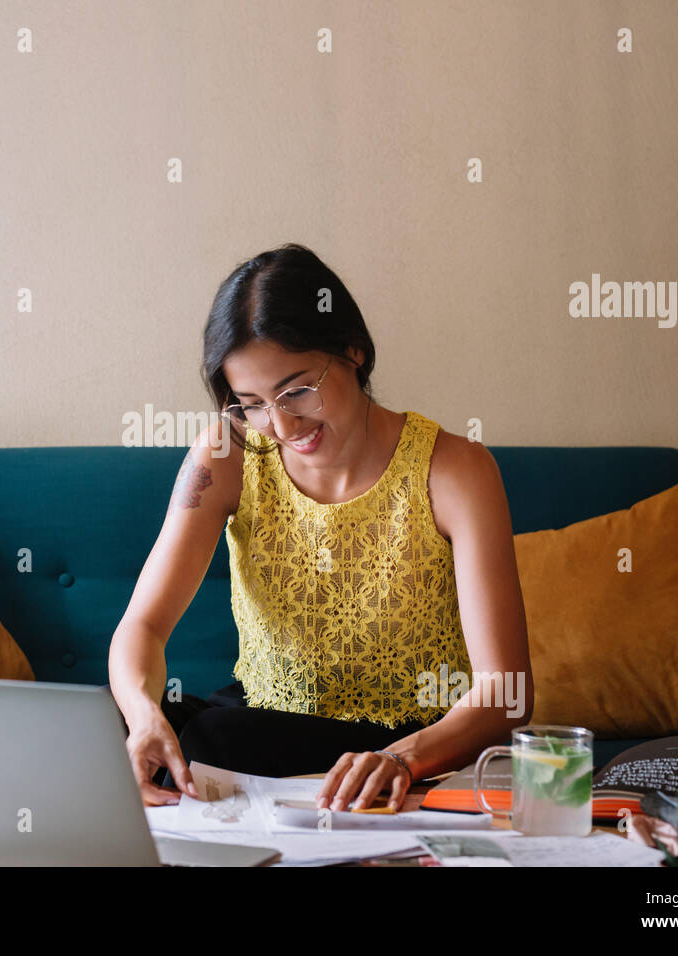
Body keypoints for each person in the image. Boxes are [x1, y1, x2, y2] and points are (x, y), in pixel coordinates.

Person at [107, 242, 533, 813]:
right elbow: (144, 625)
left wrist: (402, 760)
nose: (281, 425)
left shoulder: (454, 470)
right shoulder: (227, 453)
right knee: (100, 732)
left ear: (352, 350)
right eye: (251, 402)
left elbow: (506, 695)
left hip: (407, 739)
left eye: (297, 389)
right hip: (265, 724)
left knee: (214, 743)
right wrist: (142, 719)